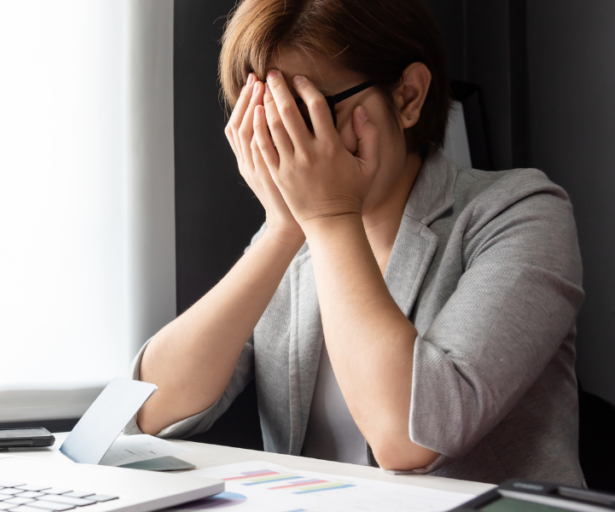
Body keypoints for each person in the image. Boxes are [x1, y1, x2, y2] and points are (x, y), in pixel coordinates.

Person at [130, 0, 584, 486]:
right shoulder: (295, 240)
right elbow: (150, 409)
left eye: (307, 110)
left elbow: (409, 440)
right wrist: (284, 230)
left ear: (408, 97)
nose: (291, 142)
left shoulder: (521, 210)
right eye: (269, 115)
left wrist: (328, 216)